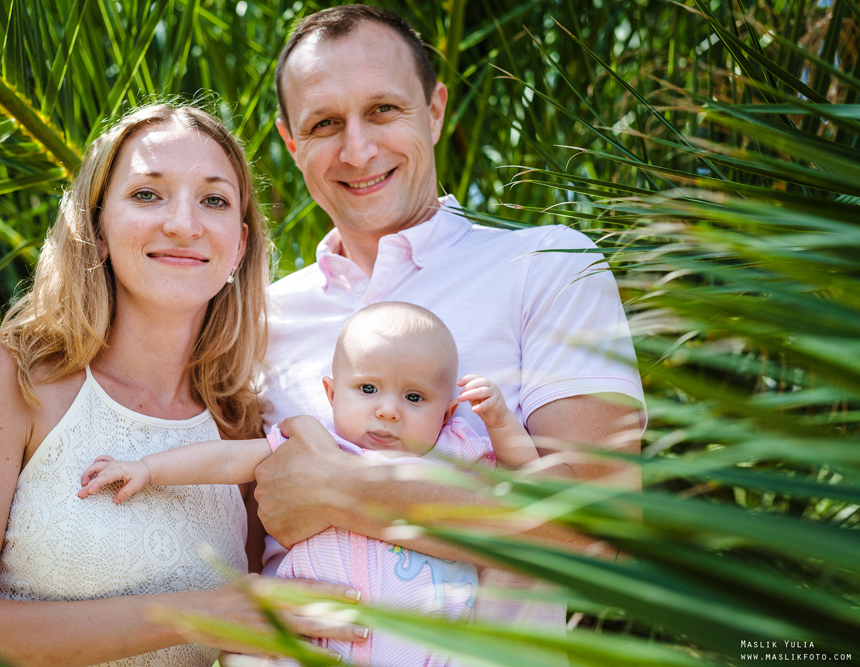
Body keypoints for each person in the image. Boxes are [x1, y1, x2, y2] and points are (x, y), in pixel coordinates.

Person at [0, 103, 365, 667]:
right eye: (148, 194)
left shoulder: (239, 421)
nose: (183, 223)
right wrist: (198, 613)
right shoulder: (13, 376)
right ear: (97, 230)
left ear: (239, 247)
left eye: (214, 199)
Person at [253, 3, 646, 640]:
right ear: (292, 143)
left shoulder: (544, 265)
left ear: (434, 112)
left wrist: (346, 488)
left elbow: (603, 531)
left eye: (384, 110)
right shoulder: (262, 320)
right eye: (325, 124)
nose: (358, 149)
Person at [78, 301, 539, 666]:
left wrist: (500, 423)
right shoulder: (317, 446)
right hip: (315, 642)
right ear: (332, 394)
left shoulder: (455, 450)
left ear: (448, 410)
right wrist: (150, 468)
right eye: (368, 389)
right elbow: (226, 460)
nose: (388, 409)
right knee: (246, 658)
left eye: (414, 397)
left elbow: (529, 486)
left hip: (432, 648)